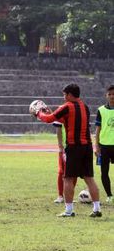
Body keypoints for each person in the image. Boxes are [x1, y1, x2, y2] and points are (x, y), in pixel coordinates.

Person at [36, 83, 102, 217]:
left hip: (74, 147)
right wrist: (51, 113)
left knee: (68, 178)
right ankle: (97, 209)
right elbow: (67, 119)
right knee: (89, 178)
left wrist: (39, 113)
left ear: (70, 95)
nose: (64, 97)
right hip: (87, 146)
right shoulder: (85, 107)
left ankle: (69, 210)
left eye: (65, 94)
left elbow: (49, 119)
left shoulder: (66, 106)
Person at [94, 85, 114, 203]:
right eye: (110, 94)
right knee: (104, 172)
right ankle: (109, 195)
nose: (112, 96)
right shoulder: (101, 110)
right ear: (106, 96)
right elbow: (98, 129)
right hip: (104, 146)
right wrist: (96, 146)